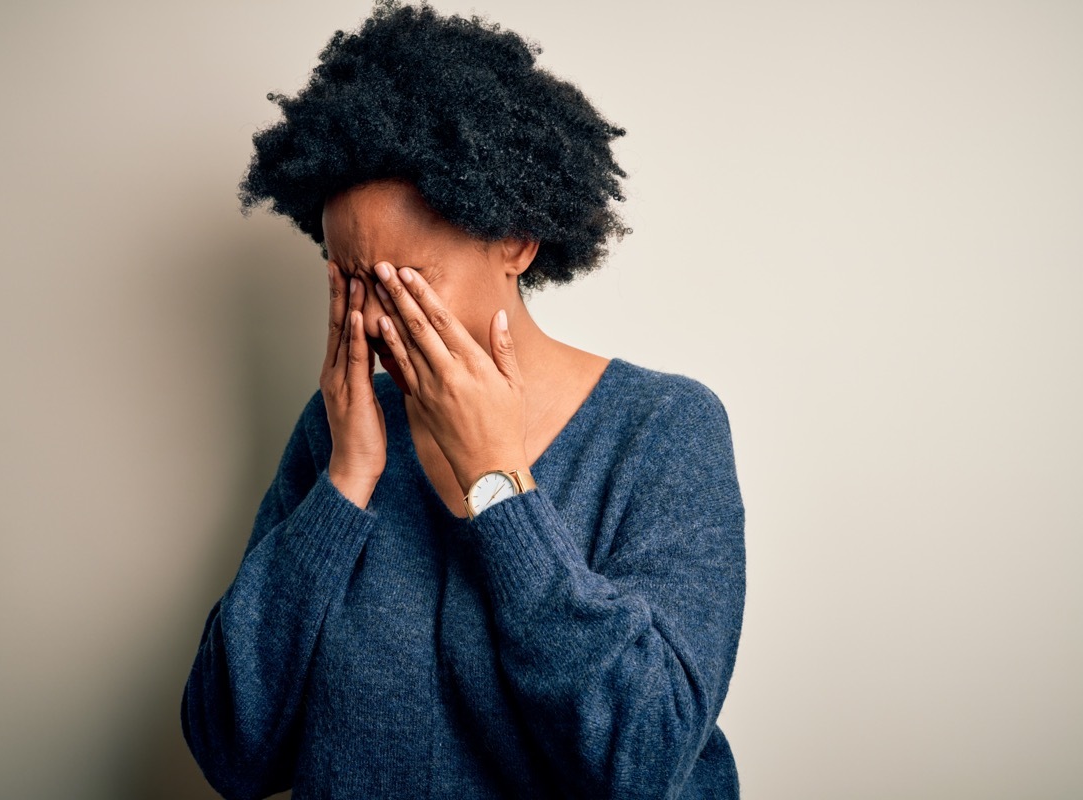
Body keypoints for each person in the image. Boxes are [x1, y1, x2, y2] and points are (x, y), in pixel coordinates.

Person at [181, 3, 746, 798]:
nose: (374, 319)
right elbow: (230, 752)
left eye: (405, 282)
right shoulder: (339, 431)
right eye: (350, 280)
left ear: (515, 242)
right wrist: (345, 485)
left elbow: (641, 759)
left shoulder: (662, 431)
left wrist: (499, 483)